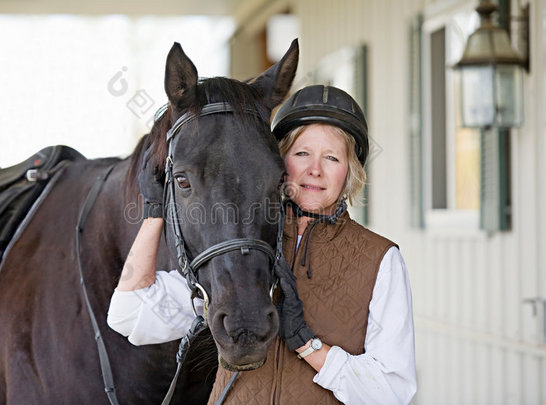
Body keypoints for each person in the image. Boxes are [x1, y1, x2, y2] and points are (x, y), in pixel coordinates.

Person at [107, 85, 417, 404]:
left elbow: (391, 391)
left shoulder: (380, 260)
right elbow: (128, 314)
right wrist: (153, 211)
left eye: (332, 158)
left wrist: (307, 344)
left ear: (349, 170)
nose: (315, 169)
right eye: (302, 154)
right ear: (279, 162)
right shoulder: (242, 241)